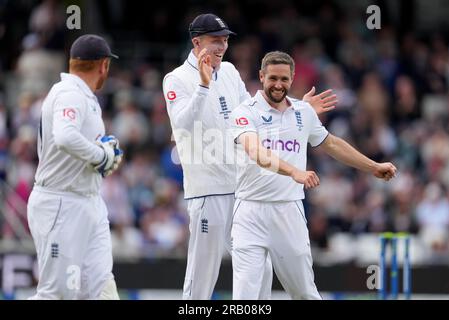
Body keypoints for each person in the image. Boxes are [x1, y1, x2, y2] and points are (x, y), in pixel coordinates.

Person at [163, 14, 337, 299]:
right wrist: (203, 86)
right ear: (196, 42)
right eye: (215, 41)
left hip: (244, 190)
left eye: (225, 40)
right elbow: (181, 124)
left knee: (259, 273)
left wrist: (297, 109)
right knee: (202, 275)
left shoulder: (229, 71)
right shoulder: (177, 79)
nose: (222, 46)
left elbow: (255, 112)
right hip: (207, 191)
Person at [230, 51, 397, 300]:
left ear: (293, 78)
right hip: (249, 213)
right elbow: (256, 152)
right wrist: (294, 171)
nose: (278, 84)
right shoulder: (244, 112)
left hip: (288, 212)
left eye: (284, 79)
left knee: (304, 293)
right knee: (245, 299)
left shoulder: (303, 112)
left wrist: (373, 166)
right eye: (272, 78)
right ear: (261, 76)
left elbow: (332, 144)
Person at [27, 34, 123, 300]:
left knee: (102, 290)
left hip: (87, 202)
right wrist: (101, 156)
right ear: (103, 65)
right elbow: (65, 136)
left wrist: (101, 152)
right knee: (56, 294)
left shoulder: (84, 96)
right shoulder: (70, 93)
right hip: (61, 203)